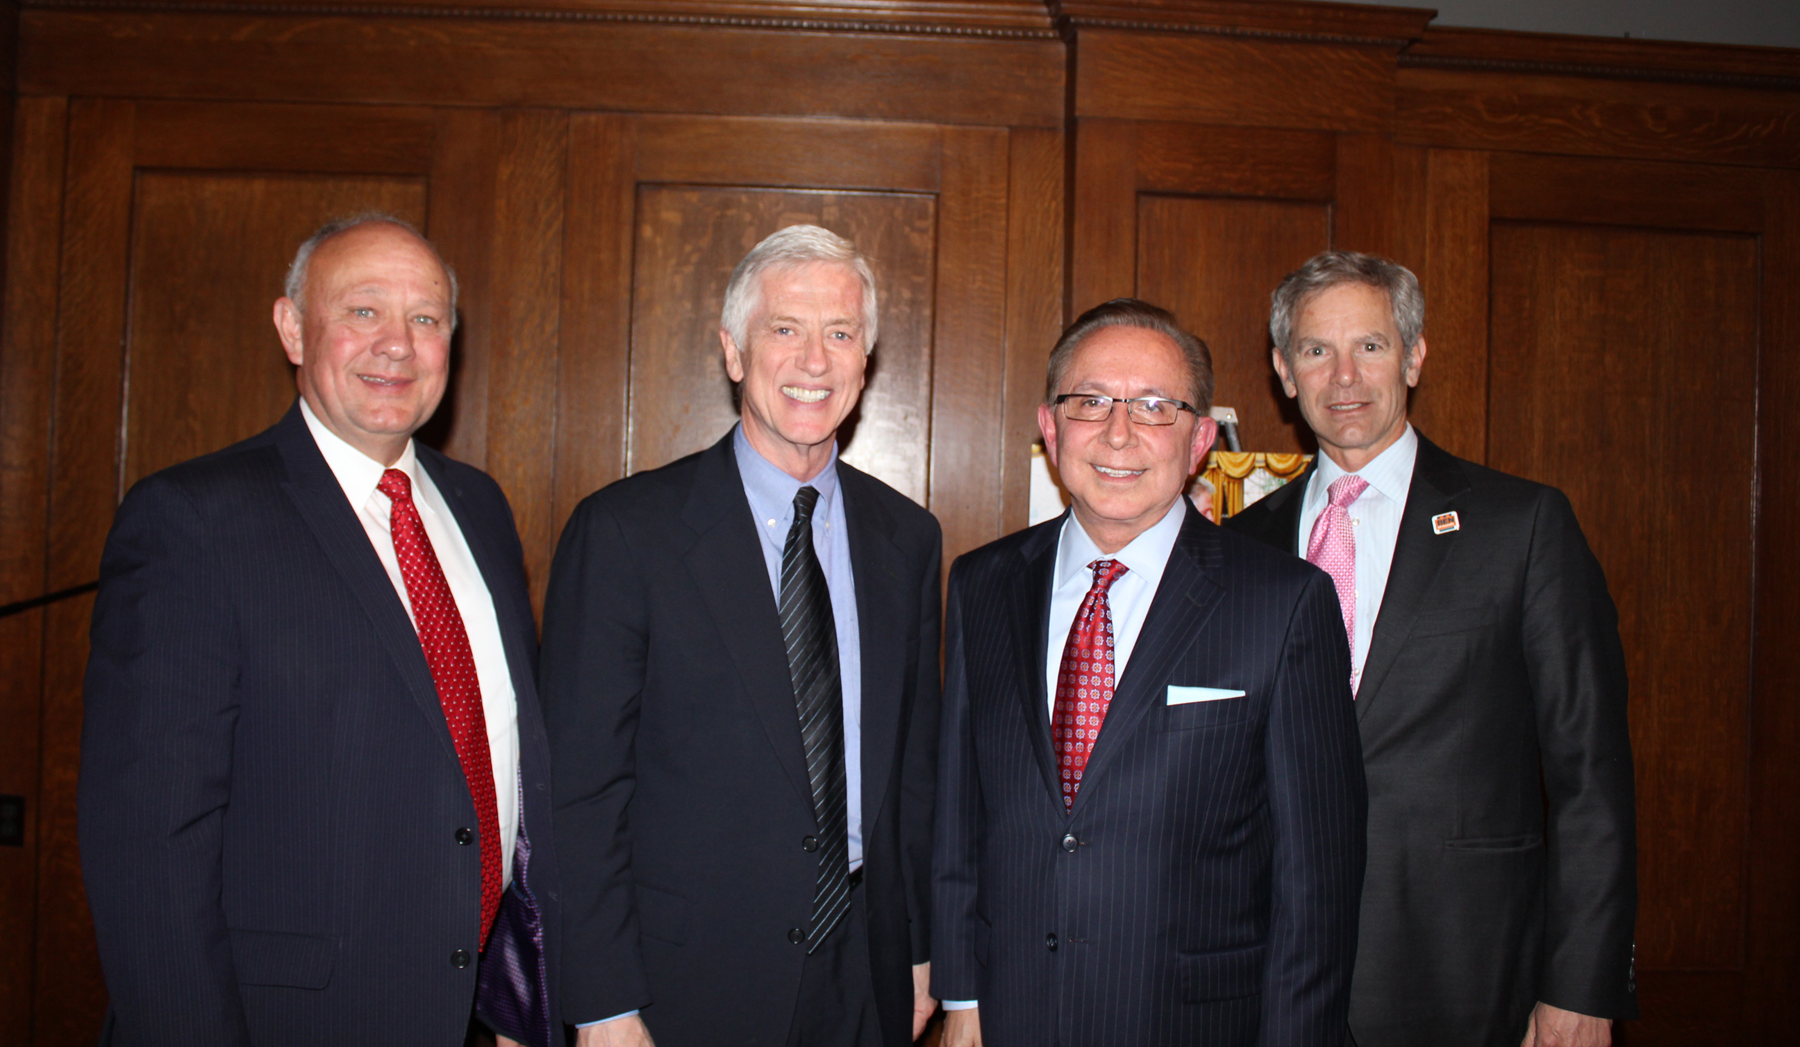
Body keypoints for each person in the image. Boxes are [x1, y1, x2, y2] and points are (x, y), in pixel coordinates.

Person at [79, 215, 560, 1045]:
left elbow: (507, 771)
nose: (397, 346)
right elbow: (148, 847)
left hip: (470, 1012)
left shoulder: (479, 508)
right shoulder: (194, 519)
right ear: (293, 329)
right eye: (363, 312)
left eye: (426, 318)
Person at [540, 225, 943, 1047]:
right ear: (733, 351)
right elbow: (579, 795)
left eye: (840, 334)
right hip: (683, 986)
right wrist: (604, 1003)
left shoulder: (908, 539)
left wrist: (921, 952)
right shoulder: (625, 532)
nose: (815, 360)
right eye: (784, 329)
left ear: (865, 363)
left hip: (867, 974)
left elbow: (914, 773)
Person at [1225, 252, 1637, 1047]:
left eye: (1371, 347)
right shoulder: (1241, 549)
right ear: (1282, 370)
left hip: (1464, 976)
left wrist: (1582, 989)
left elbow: (1592, 776)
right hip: (1268, 976)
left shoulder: (1523, 528)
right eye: (1315, 350)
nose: (1344, 376)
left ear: (1413, 356)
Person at [932, 298, 1367, 1047]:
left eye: (1157, 407)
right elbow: (960, 816)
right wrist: (962, 999)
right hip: (1009, 1017)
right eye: (1090, 401)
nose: (1119, 432)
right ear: (1049, 426)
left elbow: (1317, 880)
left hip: (1195, 1022)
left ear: (1201, 439)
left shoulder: (1283, 603)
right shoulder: (982, 584)